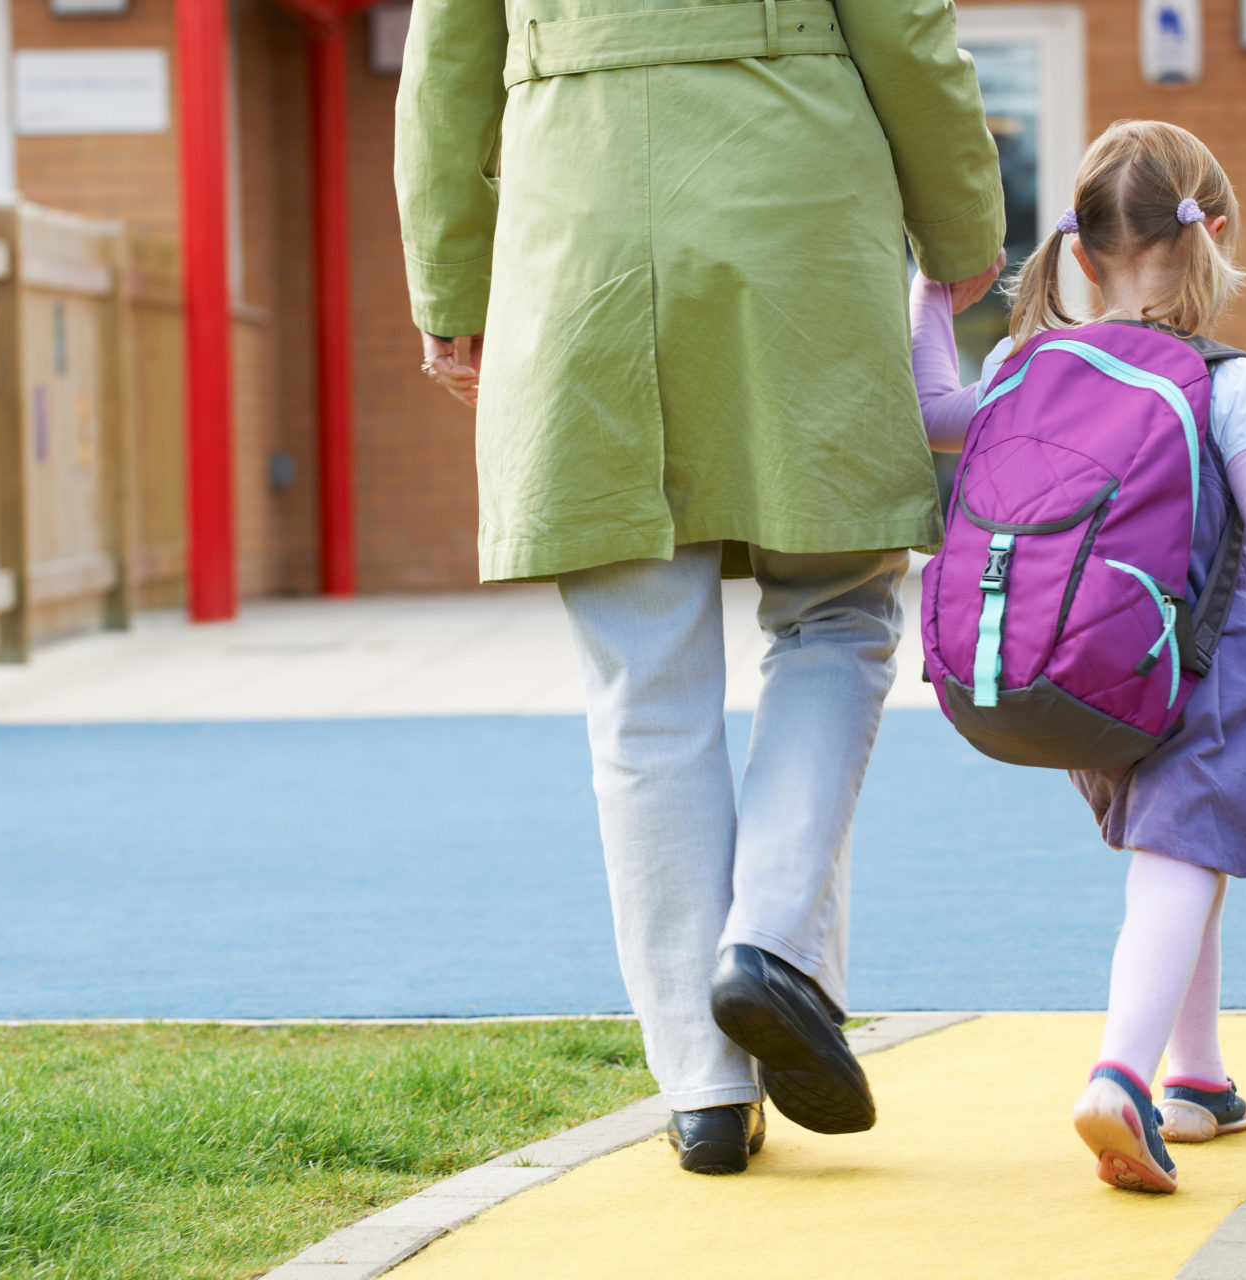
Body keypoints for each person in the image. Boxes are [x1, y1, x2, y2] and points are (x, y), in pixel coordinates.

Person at [394, 0, 1007, 1175]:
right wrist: (961, 220)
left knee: (642, 679)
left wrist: (450, 284)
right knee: (835, 610)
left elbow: (445, 68)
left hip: (577, 229)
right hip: (790, 207)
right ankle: (772, 940)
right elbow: (907, 28)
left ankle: (707, 1087)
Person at [909, 119, 1246, 1194]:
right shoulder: (1228, 381)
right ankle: (1120, 1073)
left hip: (1095, 664)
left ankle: (1198, 1077)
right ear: (1212, 234)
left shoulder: (1025, 360)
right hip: (1211, 664)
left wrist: (934, 295)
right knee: (1185, 855)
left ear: (1079, 254)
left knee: (1182, 853)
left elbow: (936, 413)